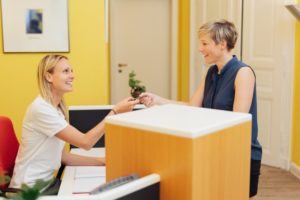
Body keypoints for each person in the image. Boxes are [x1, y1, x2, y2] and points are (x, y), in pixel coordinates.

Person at [140, 19, 262, 199]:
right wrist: (158, 100)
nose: (200, 48)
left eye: (204, 43)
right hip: (214, 151)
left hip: (240, 156)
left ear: (222, 44)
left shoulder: (243, 73)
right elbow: (192, 106)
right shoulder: (212, 72)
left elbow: (238, 124)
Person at [9, 55, 139, 194]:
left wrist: (102, 161)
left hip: (46, 184)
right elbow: (85, 142)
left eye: (71, 71)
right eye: (66, 71)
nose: (72, 75)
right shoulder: (41, 109)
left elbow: (62, 157)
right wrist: (115, 112)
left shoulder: (55, 109)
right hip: (28, 190)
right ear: (49, 76)